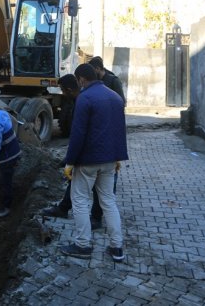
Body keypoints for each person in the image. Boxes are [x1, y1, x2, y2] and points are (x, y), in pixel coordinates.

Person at [59, 63, 128, 262]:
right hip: (109, 161)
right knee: (108, 201)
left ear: (81, 79)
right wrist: (117, 157)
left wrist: (70, 162)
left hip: (88, 161)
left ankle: (82, 245)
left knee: (80, 200)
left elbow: (78, 134)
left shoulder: (85, 98)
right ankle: (117, 248)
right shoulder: (115, 97)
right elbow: (120, 130)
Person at [42, 74, 104, 230]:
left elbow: (79, 133)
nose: (62, 93)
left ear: (69, 89)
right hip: (88, 150)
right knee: (75, 180)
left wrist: (70, 160)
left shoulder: (83, 101)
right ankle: (64, 208)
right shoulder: (77, 100)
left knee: (98, 186)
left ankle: (95, 219)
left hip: (94, 152)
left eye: (63, 90)